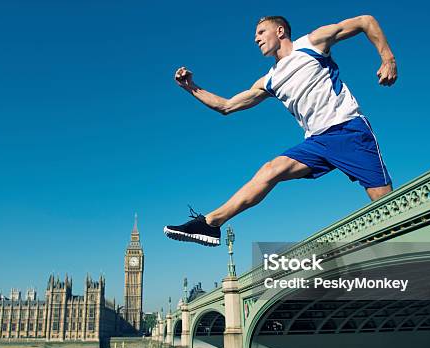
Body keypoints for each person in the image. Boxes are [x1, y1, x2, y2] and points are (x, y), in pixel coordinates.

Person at [164, 15, 397, 247]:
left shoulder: (312, 43)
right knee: (270, 170)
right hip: (316, 143)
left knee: (387, 206)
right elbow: (227, 106)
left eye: (261, 32)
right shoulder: (270, 80)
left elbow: (365, 21)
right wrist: (191, 87)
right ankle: (211, 224)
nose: (256, 39)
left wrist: (387, 58)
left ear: (280, 31)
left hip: (348, 130)